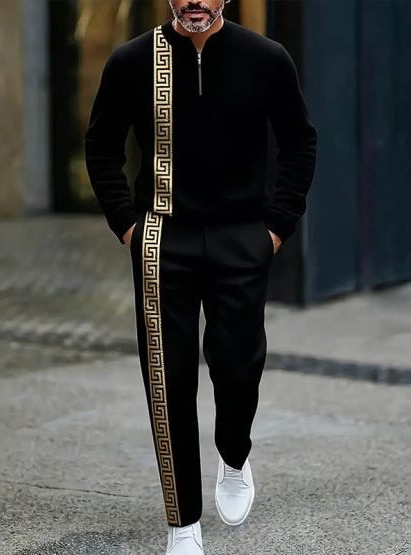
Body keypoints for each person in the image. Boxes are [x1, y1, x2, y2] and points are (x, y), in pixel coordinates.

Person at [84, 0, 317, 552]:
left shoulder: (266, 58)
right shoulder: (133, 60)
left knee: (238, 369)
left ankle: (234, 455)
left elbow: (299, 143)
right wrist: (128, 226)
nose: (195, 0)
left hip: (242, 236)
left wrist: (276, 228)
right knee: (167, 380)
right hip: (164, 239)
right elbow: (101, 146)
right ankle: (182, 521)